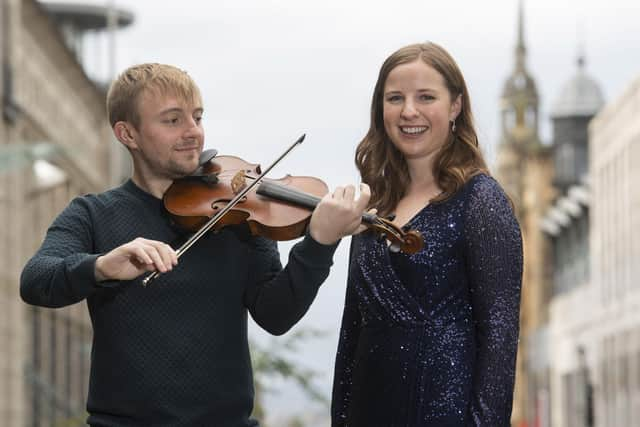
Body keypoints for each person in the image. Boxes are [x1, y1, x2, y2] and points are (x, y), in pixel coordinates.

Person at [20, 63, 370, 427]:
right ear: (128, 134)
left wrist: (319, 243)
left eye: (197, 117)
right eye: (172, 120)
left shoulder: (239, 212)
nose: (193, 133)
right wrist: (101, 266)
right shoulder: (92, 214)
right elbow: (36, 280)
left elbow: (277, 315)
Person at [331, 42, 523, 426]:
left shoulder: (481, 200)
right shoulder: (372, 206)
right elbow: (351, 335)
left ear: (455, 106)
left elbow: (500, 336)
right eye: (395, 98)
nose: (409, 111)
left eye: (426, 97)